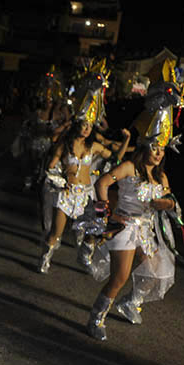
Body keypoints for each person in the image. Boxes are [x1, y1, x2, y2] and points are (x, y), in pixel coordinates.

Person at [85, 61, 184, 341]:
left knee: (157, 272)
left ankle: (131, 302)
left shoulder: (161, 178)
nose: (158, 153)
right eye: (154, 147)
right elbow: (103, 182)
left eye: (162, 149)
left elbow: (167, 202)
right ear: (145, 146)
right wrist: (105, 213)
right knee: (119, 277)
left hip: (146, 230)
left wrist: (167, 205)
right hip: (125, 226)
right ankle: (96, 317)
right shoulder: (130, 167)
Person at [38, 60, 122, 274]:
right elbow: (51, 168)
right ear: (77, 124)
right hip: (67, 195)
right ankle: (45, 258)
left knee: (96, 228)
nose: (86, 129)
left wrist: (128, 143)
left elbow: (114, 159)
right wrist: (60, 182)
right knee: (56, 233)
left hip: (87, 195)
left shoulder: (93, 145)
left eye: (89, 126)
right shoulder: (65, 144)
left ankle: (85, 255)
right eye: (83, 125)